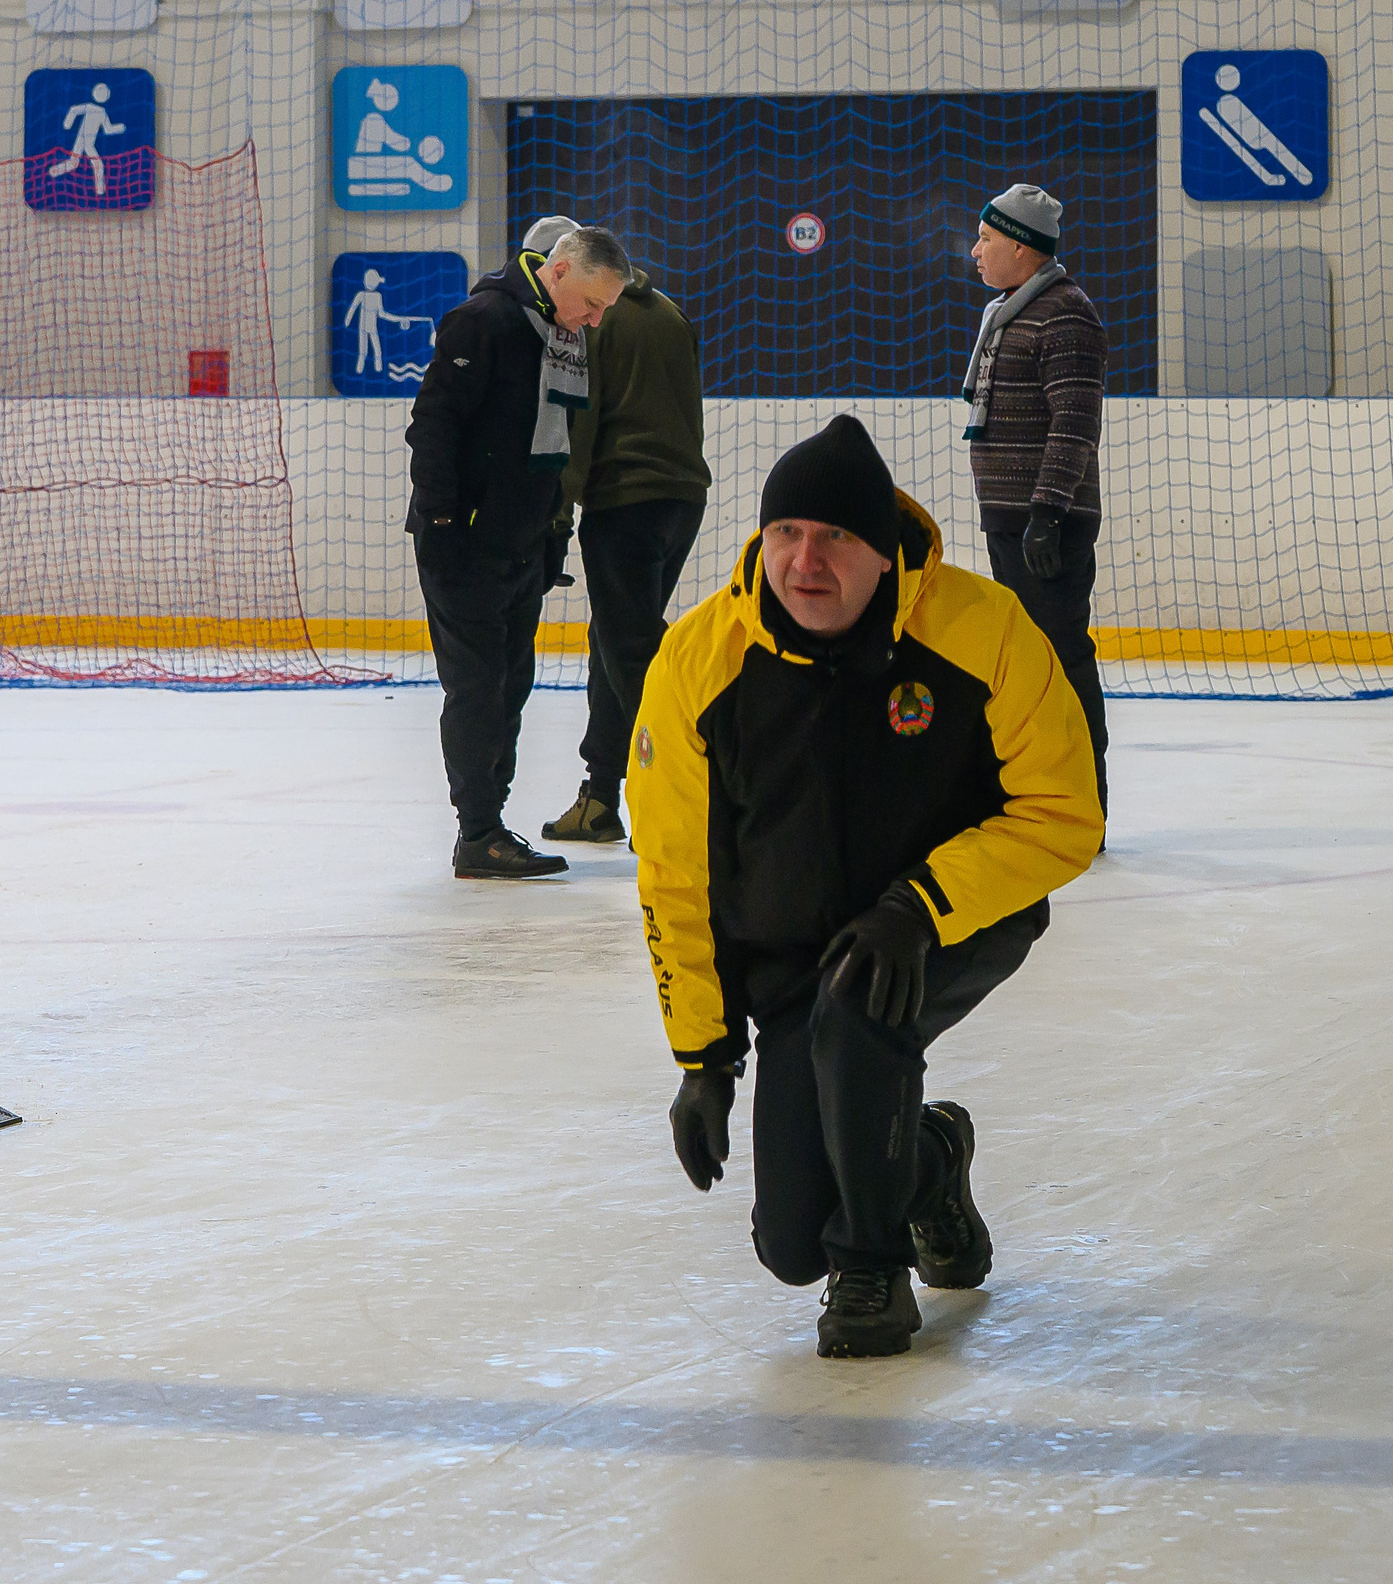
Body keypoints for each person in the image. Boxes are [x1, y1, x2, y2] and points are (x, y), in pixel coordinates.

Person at [628, 415, 1101, 1357]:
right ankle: (928, 1165)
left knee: (862, 1010)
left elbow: (1063, 813)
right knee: (787, 1242)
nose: (807, 560)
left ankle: (872, 1270)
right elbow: (674, 872)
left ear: (885, 555)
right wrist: (705, 1058)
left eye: (837, 536)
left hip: (950, 920)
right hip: (794, 951)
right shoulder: (698, 661)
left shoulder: (982, 631)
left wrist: (918, 906)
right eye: (787, 533)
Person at [406, 226, 631, 879]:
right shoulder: (483, 321)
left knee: (511, 684)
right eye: (592, 303)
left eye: (605, 310)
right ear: (559, 271)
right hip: (465, 541)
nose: (596, 318)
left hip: (523, 543)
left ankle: (490, 825)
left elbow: (551, 438)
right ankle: (477, 832)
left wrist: (550, 528)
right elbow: (433, 424)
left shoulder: (558, 331)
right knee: (477, 688)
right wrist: (445, 521)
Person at [539, 248, 709, 847]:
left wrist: (557, 517)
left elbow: (578, 422)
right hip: (682, 496)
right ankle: (601, 796)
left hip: (624, 498)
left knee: (630, 648)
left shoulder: (595, 323)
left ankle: (679, 790)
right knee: (614, 639)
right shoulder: (670, 312)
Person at [963, 182, 1109, 817]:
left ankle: (1087, 803)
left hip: (1044, 522)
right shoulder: (1015, 309)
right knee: (1033, 663)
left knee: (1063, 658)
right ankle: (1047, 791)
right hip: (1018, 520)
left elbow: (1074, 423)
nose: (976, 251)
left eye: (988, 239)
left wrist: (1047, 514)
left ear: (1022, 247)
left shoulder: (1065, 312)